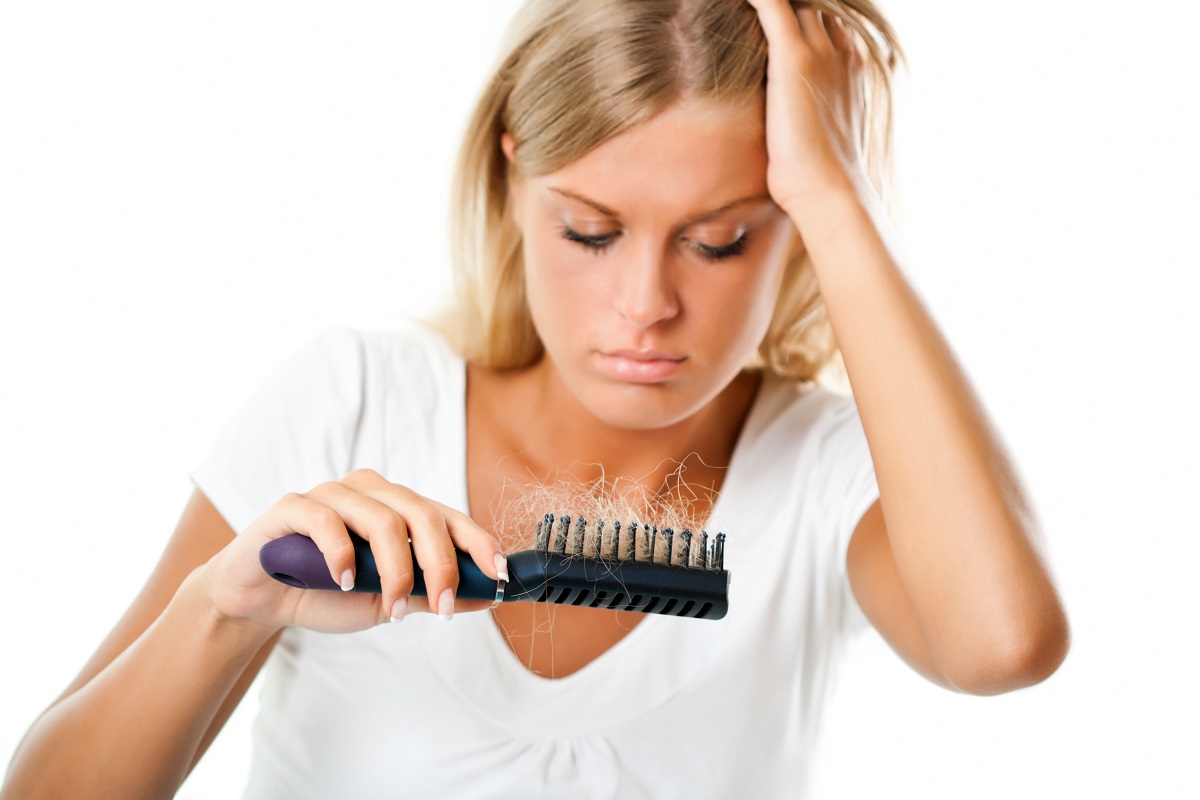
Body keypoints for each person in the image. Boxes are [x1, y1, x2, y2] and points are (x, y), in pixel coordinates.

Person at [1, 0, 1070, 797]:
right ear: (513, 178)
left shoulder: (831, 475)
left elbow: (1004, 640)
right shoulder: (353, 401)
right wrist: (226, 609)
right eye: (591, 232)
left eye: (721, 238)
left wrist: (838, 195)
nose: (646, 303)